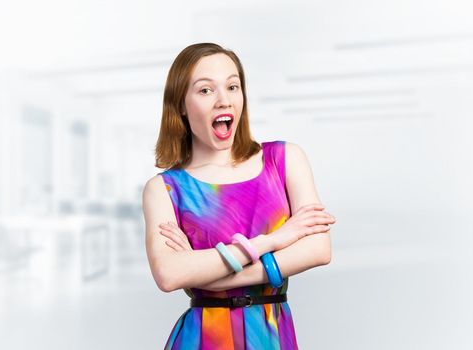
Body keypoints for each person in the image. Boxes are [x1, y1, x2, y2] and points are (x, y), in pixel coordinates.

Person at [142, 42, 336, 350]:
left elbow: (318, 248)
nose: (223, 100)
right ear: (181, 103)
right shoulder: (164, 189)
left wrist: (211, 276)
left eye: (232, 86)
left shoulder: (284, 160)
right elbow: (169, 274)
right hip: (203, 338)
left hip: (271, 335)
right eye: (205, 90)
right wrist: (272, 241)